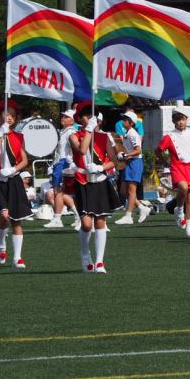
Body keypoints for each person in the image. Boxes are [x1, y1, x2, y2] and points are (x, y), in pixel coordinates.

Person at [69, 102, 123, 274]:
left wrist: (100, 167)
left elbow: (114, 161)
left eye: (91, 115)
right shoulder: (74, 135)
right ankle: (85, 254)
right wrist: (88, 131)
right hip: (82, 181)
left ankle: (99, 261)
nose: (89, 118)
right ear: (79, 119)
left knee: (100, 220)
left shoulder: (104, 137)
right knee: (86, 224)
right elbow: (83, 150)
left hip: (99, 180)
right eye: (85, 115)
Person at [0, 98, 32, 269]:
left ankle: (17, 258)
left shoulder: (19, 136)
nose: (9, 117)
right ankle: (1, 245)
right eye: (6, 114)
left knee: (16, 220)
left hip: (13, 179)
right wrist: (0, 135)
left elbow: (24, 160)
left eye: (13, 115)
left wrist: (13, 169)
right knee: (4, 216)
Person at [155, 107, 190, 237]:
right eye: (178, 120)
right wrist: (164, 162)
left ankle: (189, 229)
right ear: (173, 121)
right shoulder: (169, 137)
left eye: (183, 119)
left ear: (186, 119)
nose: (181, 122)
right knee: (183, 187)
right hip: (177, 167)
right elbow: (158, 151)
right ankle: (179, 209)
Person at [44, 108, 79, 229]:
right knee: (59, 192)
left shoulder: (71, 132)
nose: (63, 118)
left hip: (64, 162)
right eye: (63, 116)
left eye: (66, 117)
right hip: (59, 162)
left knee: (58, 191)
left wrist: (71, 162)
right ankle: (77, 216)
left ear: (72, 120)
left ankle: (58, 219)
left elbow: (75, 149)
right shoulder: (63, 131)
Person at [115, 110, 149, 225]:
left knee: (131, 190)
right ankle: (142, 207)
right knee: (123, 190)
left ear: (131, 122)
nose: (123, 121)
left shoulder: (132, 134)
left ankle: (128, 216)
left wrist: (126, 155)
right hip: (130, 162)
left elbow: (138, 150)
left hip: (135, 162)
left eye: (125, 119)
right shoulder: (128, 133)